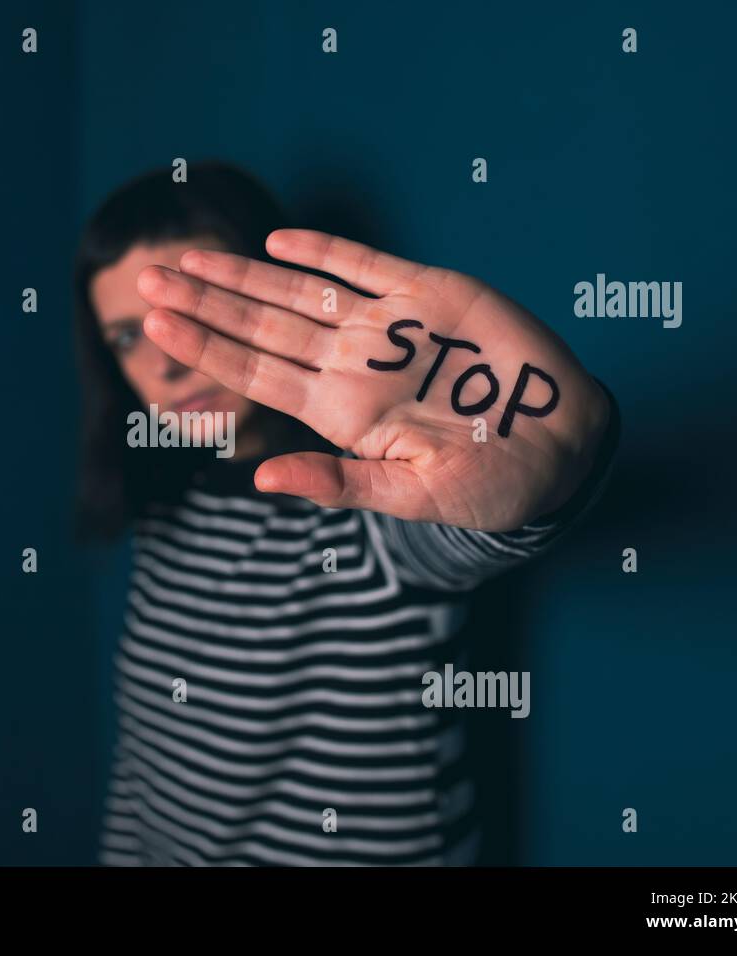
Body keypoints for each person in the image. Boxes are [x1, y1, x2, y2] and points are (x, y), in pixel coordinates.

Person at [73, 161, 620, 865]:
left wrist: (561, 443)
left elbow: (477, 518)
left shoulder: (372, 507)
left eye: (191, 313)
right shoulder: (164, 515)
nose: (165, 364)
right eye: (126, 338)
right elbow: (145, 770)